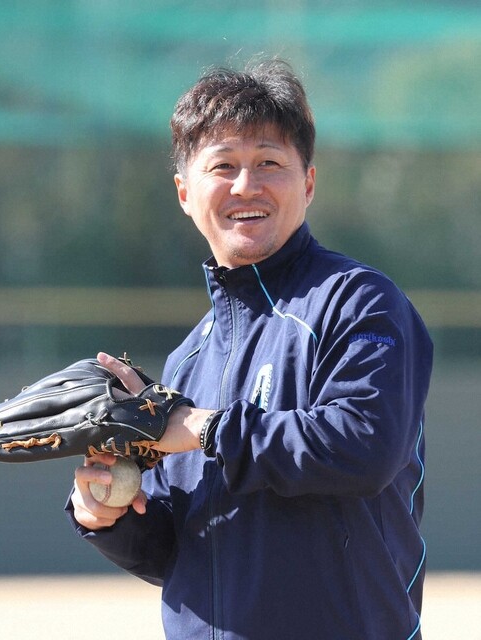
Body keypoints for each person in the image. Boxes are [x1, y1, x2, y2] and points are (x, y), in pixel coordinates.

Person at [66, 59, 433, 640]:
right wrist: (107, 515)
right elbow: (182, 553)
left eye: (269, 163)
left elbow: (364, 446)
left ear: (307, 183)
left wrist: (206, 429)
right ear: (185, 193)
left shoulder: (358, 302)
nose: (245, 186)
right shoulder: (188, 359)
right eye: (223, 166)